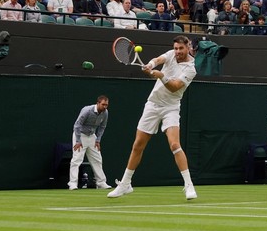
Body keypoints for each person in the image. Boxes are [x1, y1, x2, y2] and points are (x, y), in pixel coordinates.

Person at [107, 35, 198, 200]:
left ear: (188, 47)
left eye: (181, 48)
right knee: (138, 145)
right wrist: (150, 64)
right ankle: (125, 184)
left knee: (175, 144)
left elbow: (174, 87)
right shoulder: (171, 54)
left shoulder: (191, 69)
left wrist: (161, 75)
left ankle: (189, 185)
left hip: (171, 108)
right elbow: (158, 59)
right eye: (176, 48)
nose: (177, 51)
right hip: (153, 104)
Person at [68, 95, 111, 190]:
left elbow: (102, 127)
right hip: (80, 135)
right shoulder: (87, 110)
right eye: (103, 104)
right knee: (77, 159)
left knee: (97, 159)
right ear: (98, 103)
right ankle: (73, 183)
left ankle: (101, 182)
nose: (105, 107)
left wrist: (98, 140)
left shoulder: (105, 113)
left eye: (106, 105)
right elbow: (77, 125)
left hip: (92, 137)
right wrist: (78, 141)